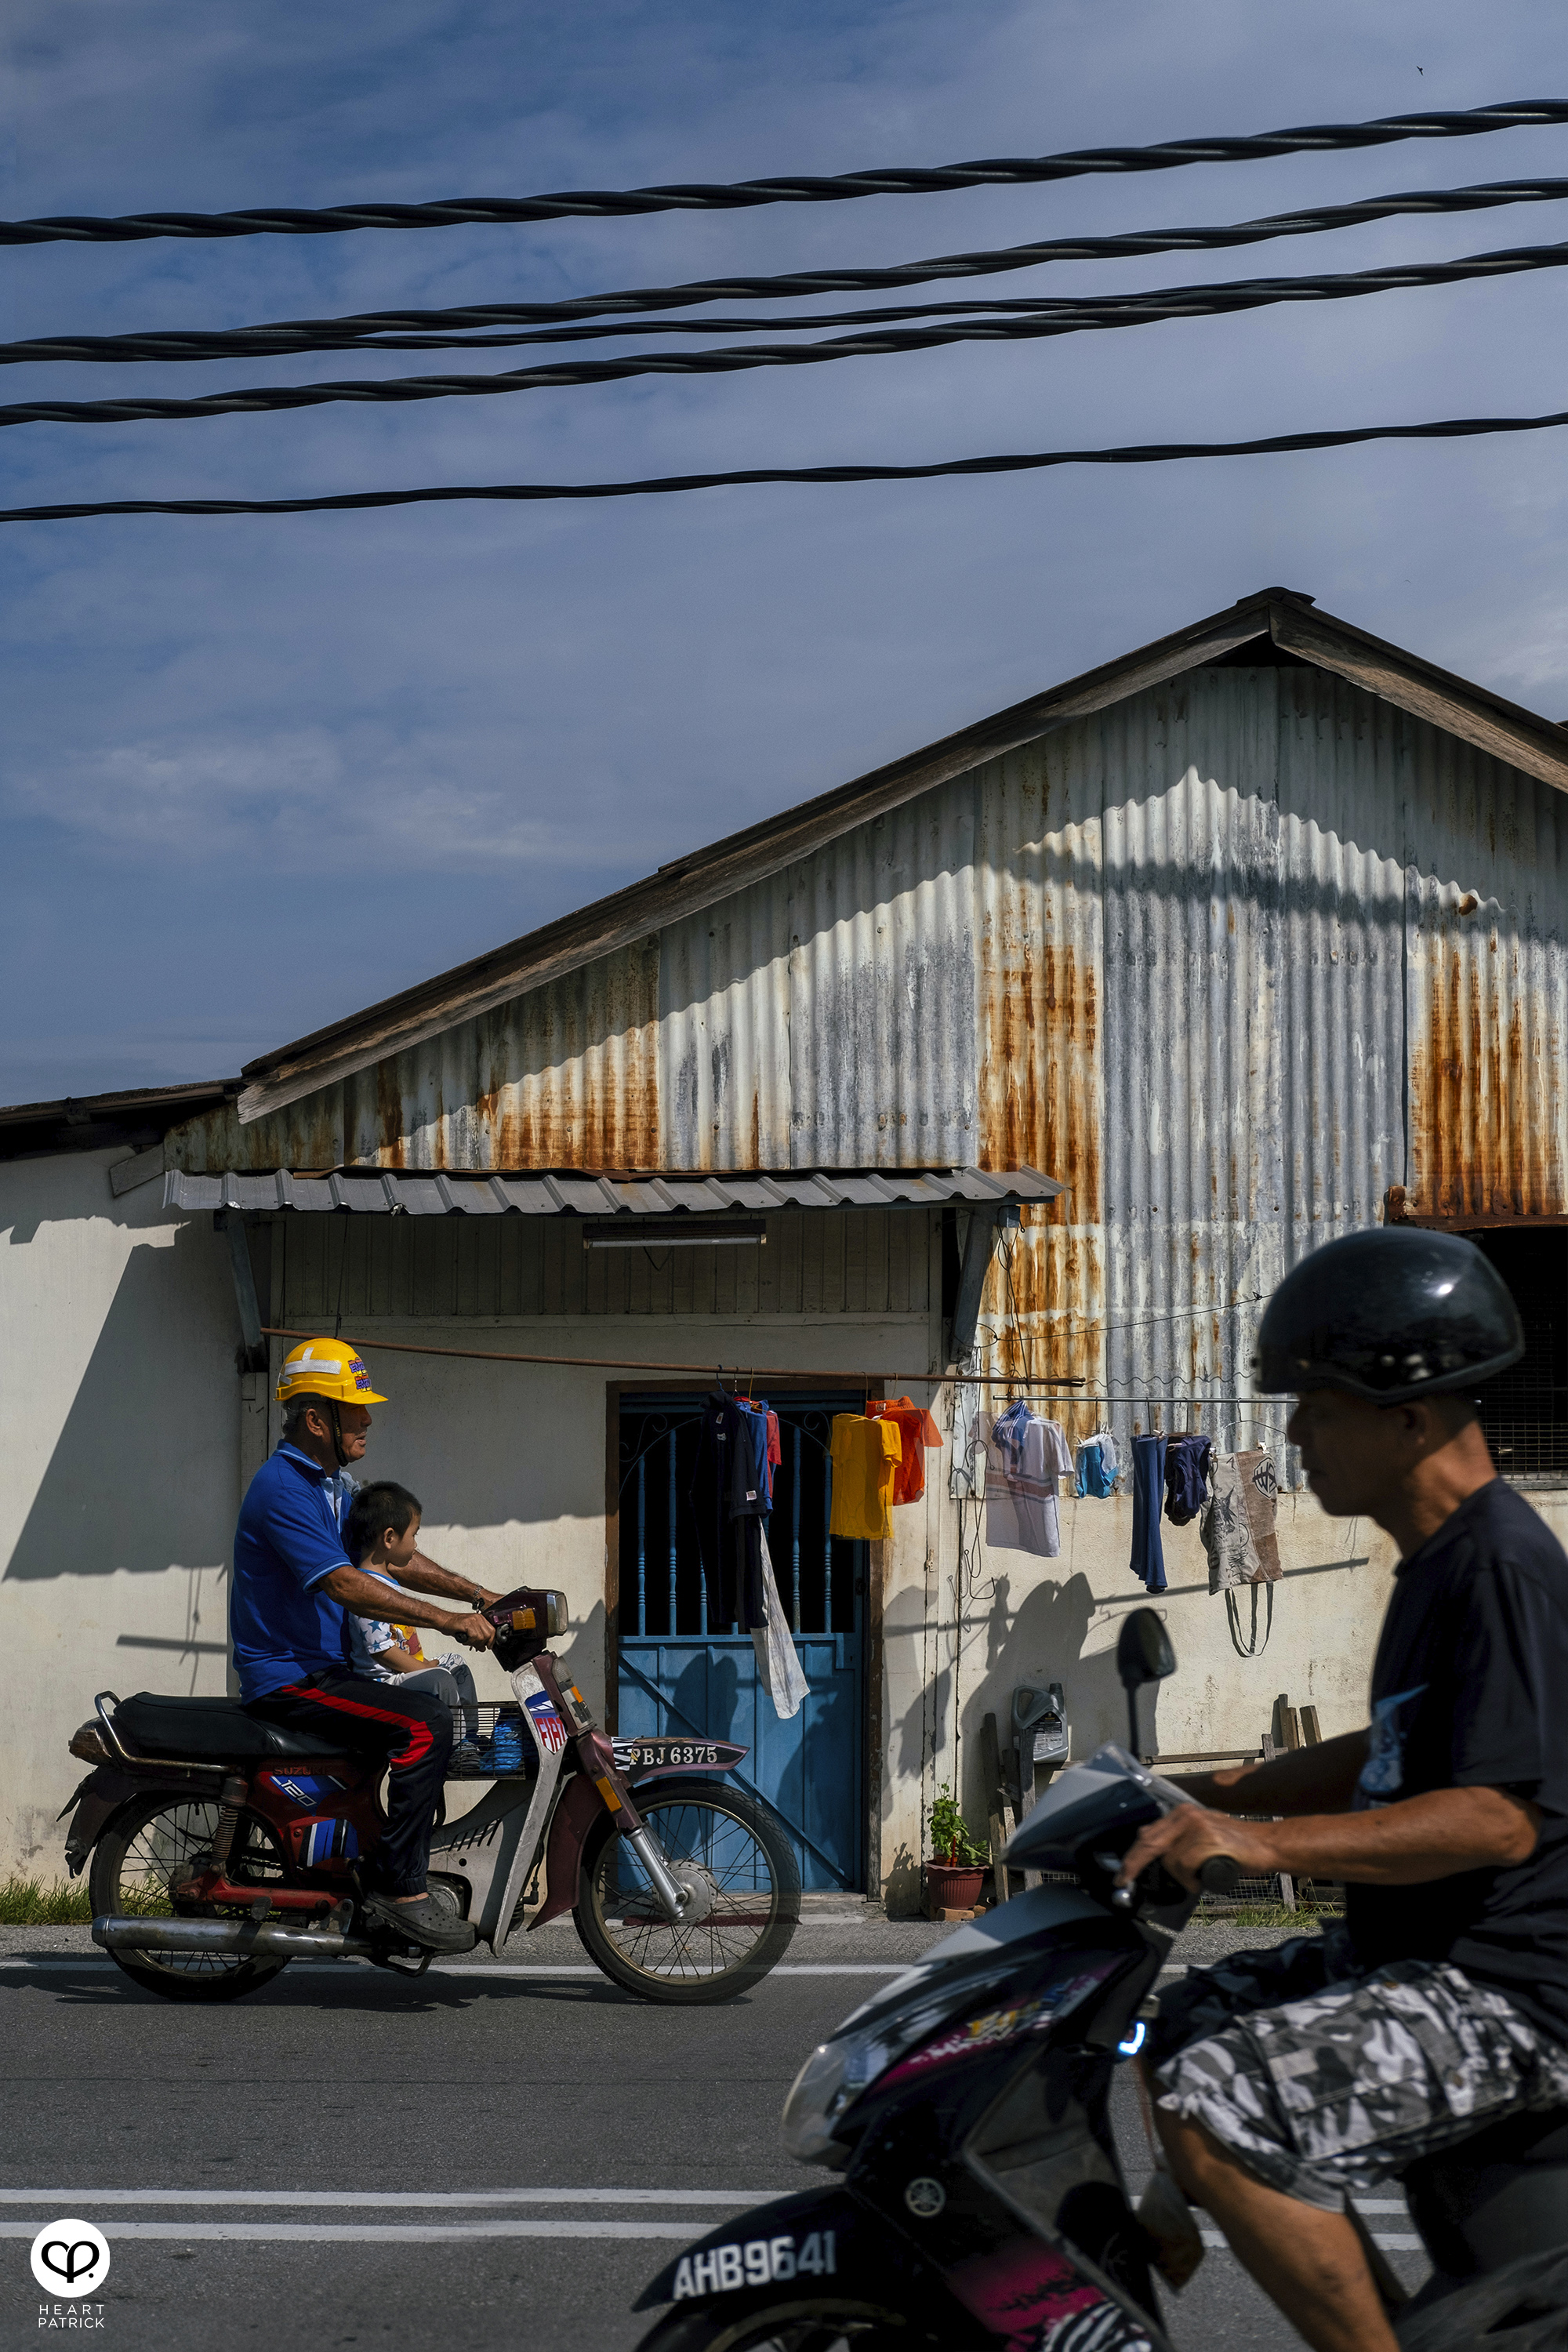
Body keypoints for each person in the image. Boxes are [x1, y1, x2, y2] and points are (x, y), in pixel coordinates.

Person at [1117, 1228, 1568, 2352]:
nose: (1297, 1436)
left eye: (1318, 1407)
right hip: (1427, 1959)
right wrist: (1221, 1786)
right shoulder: (1439, 1559)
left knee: (1219, 2102)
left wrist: (1267, 1848)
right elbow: (1403, 1744)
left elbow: (1498, 1817)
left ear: (1410, 1419)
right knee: (1182, 2024)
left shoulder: (1499, 1565)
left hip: (1511, 1993)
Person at [230, 1337, 501, 1954]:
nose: (369, 1419)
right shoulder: (284, 1490)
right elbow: (347, 1583)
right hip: (290, 1679)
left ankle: (390, 1861)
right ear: (316, 1419)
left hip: (323, 1670)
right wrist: (446, 1621)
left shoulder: (330, 1485)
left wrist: (481, 1596)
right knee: (425, 1723)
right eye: (356, 1409)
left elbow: (390, 1559)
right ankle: (399, 1888)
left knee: (423, 1709)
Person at [343, 1479, 483, 1755]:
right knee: (441, 1678)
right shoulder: (366, 1590)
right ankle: (455, 1750)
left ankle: (470, 1739)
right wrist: (424, 1670)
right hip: (383, 1683)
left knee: (457, 1666)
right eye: (414, 1535)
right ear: (389, 1538)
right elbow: (381, 1651)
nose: (416, 1544)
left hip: (407, 1673)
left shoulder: (389, 1582)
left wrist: (427, 1666)